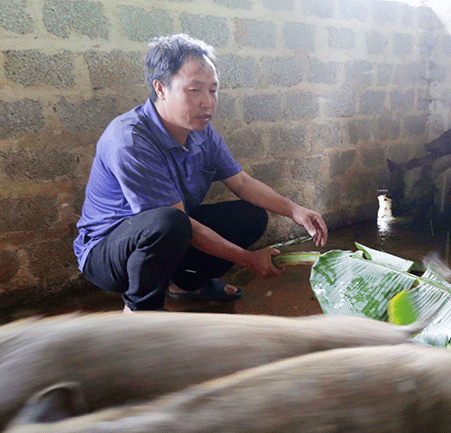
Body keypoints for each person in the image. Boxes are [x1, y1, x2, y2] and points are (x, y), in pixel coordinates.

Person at [73, 33, 327, 312]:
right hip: (109, 253)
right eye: (194, 90)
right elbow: (178, 223)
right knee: (170, 222)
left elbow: (242, 183)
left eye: (213, 90)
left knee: (251, 216)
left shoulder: (202, 133)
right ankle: (141, 311)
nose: (208, 102)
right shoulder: (130, 140)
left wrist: (294, 210)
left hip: (170, 233)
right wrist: (248, 259)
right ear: (161, 88)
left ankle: (185, 285)